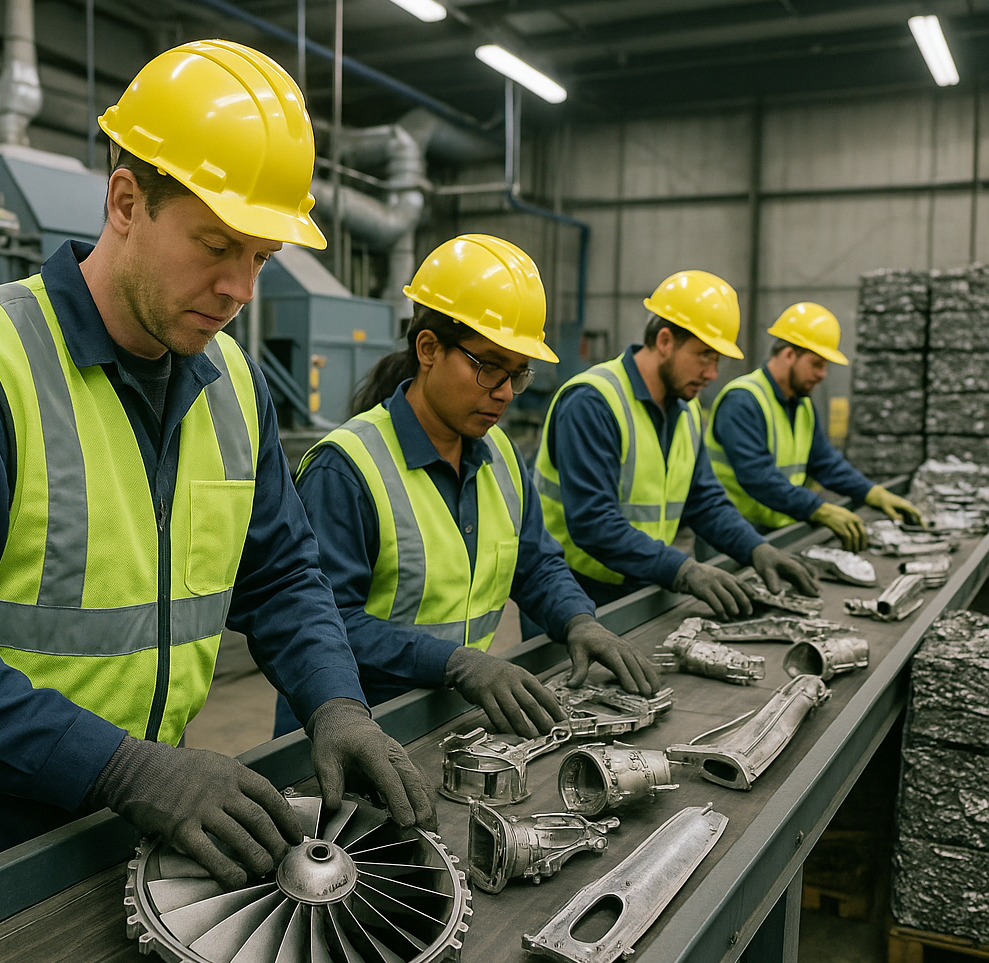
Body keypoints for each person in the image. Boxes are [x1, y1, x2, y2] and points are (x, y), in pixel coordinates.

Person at [0, 40, 435, 882]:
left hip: (150, 830)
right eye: (216, 245)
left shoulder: (235, 385)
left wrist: (336, 702)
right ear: (124, 201)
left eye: (260, 257)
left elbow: (284, 576)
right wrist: (121, 765)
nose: (240, 290)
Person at [278, 234, 661, 741]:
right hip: (353, 731)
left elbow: (537, 563)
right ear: (428, 349)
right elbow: (325, 621)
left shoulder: (501, 455)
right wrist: (456, 663)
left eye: (518, 374)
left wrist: (578, 621)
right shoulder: (346, 469)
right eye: (488, 367)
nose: (503, 392)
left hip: (446, 721)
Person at [533, 270, 820, 619]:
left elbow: (703, 500)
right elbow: (594, 524)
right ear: (665, 341)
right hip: (574, 594)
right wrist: (684, 570)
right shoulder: (593, 402)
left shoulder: (686, 409)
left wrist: (756, 549)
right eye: (704, 356)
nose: (713, 373)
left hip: (642, 579)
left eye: (718, 360)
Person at [706, 302, 923, 551]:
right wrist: (818, 509)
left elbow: (825, 462)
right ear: (789, 355)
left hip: (777, 527)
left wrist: (871, 493)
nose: (823, 374)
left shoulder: (801, 405)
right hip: (729, 533)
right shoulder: (742, 400)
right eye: (817, 364)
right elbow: (758, 477)